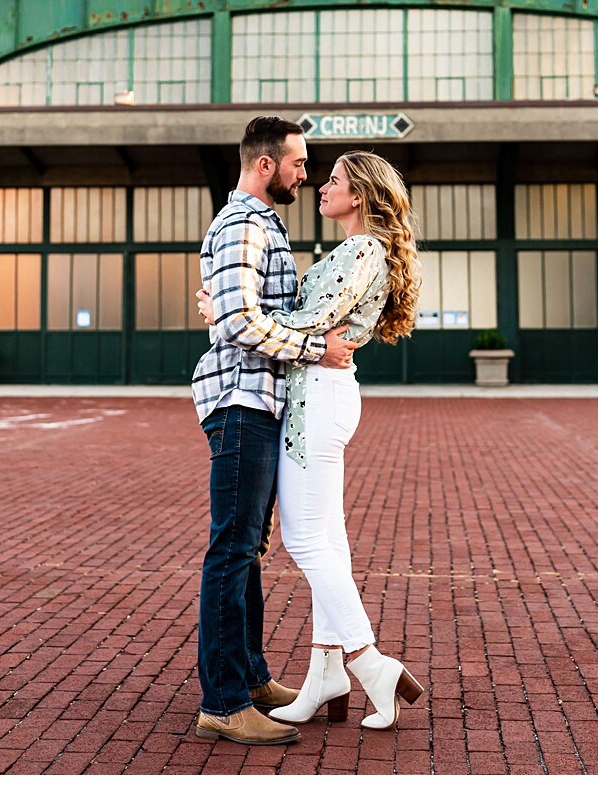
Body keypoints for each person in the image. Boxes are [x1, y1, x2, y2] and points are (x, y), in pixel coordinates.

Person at [198, 150, 425, 731]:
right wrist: (230, 309)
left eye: (335, 182)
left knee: (304, 539)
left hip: (318, 396)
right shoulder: (352, 251)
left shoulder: (362, 251)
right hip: (316, 394)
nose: (321, 187)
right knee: (329, 537)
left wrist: (230, 312)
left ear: (363, 195)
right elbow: (299, 315)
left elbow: (308, 322)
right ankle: (326, 672)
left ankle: (370, 662)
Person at [192, 117, 358, 746]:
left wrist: (223, 310)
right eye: (298, 162)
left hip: (261, 402)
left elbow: (238, 311)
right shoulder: (241, 224)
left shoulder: (262, 225)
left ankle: (252, 679)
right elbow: (238, 323)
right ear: (266, 165)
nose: (304, 173)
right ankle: (223, 702)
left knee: (248, 551)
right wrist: (318, 348)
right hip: (241, 402)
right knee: (232, 550)